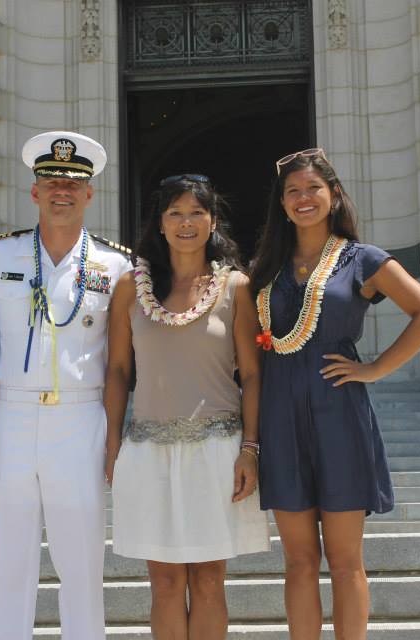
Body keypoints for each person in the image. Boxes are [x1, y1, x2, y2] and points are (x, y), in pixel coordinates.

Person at [249, 149, 420, 640]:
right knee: (298, 561)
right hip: (279, 416)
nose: (303, 198)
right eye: (292, 191)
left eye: (313, 188)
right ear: (282, 203)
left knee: (344, 560)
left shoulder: (363, 259)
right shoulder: (267, 267)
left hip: (338, 411)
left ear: (334, 195)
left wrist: (374, 368)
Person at [0, 131, 133, 640]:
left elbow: (119, 364)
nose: (61, 191)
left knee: (82, 555)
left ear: (89, 194)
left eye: (72, 183)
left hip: (81, 416)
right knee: (7, 556)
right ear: (34, 192)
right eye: (51, 182)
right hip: (11, 415)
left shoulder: (116, 265)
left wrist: (113, 438)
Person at [104, 174, 270, 640]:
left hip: (217, 451)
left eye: (197, 212)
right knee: (164, 582)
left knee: (209, 579)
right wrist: (112, 444)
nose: (186, 222)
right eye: (175, 212)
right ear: (159, 223)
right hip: (147, 451)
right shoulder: (129, 287)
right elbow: (117, 370)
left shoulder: (236, 286)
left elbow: (252, 374)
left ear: (213, 221)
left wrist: (250, 449)